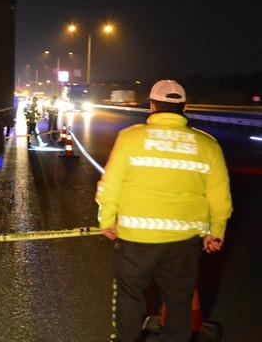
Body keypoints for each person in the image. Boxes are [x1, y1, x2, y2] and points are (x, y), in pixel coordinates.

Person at [96, 80, 232, 342]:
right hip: (183, 242)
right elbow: (220, 196)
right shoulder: (208, 145)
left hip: (136, 239)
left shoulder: (130, 138)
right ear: (185, 108)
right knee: (179, 302)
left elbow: (109, 186)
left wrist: (107, 220)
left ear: (152, 106)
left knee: (130, 295)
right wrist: (216, 232)